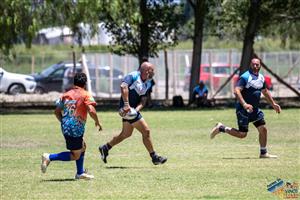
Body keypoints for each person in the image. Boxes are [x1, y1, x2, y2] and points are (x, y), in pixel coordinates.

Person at [210, 58, 281, 158]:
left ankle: (263, 153)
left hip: (255, 110)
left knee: (263, 129)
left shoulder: (261, 78)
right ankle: (221, 128)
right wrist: (244, 104)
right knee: (242, 134)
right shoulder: (245, 77)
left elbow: (265, 91)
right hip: (243, 110)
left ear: (260, 66)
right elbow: (236, 91)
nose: (255, 66)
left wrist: (273, 104)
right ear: (250, 65)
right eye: (253, 65)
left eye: (257, 65)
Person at [98, 62, 167, 165]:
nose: (154, 72)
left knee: (126, 134)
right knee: (146, 131)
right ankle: (154, 157)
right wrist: (126, 105)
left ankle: (105, 147)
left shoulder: (148, 82)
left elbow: (143, 100)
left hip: (132, 111)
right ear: (146, 70)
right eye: (152, 70)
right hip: (125, 109)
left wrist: (136, 110)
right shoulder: (133, 76)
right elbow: (123, 86)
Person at [41, 72, 102, 180]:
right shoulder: (85, 94)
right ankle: (49, 157)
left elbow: (56, 112)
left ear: (74, 83)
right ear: (85, 84)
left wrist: (64, 122)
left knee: (83, 146)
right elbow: (91, 110)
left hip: (67, 127)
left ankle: (80, 173)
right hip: (76, 129)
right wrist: (97, 121)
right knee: (75, 155)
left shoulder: (66, 95)